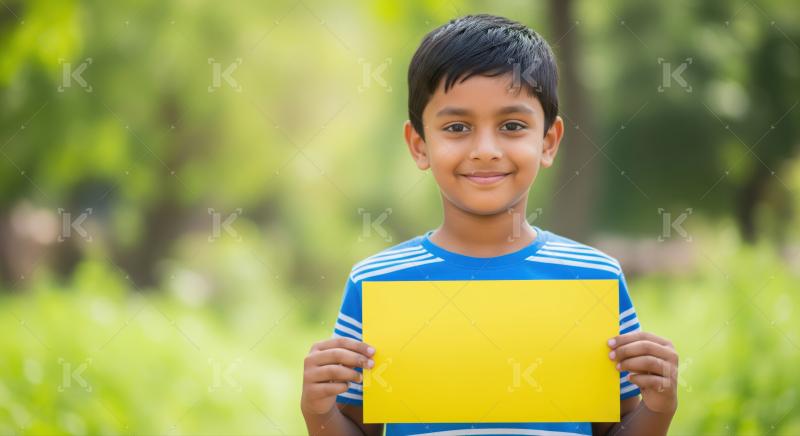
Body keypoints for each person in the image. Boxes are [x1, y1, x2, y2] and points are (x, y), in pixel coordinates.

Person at [301, 14, 678, 436]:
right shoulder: (376, 283)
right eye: (457, 127)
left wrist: (658, 408)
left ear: (548, 142)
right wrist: (319, 411)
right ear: (419, 145)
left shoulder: (593, 278)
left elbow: (613, 428)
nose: (485, 150)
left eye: (512, 126)